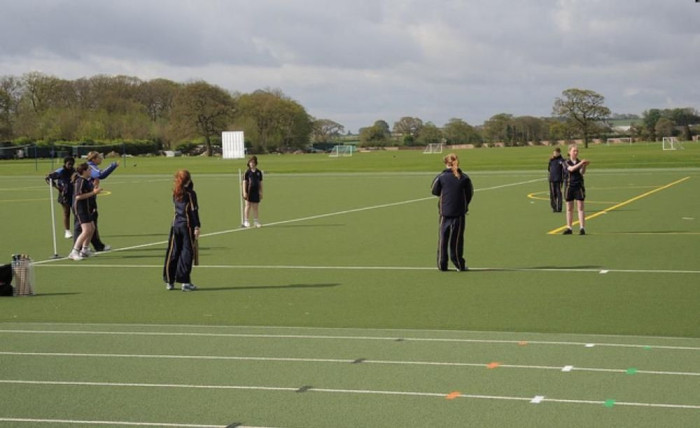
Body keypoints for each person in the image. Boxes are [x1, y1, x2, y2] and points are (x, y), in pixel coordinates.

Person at [431, 153, 474, 271]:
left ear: (446, 163)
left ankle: (442, 265)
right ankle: (459, 264)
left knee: (443, 239)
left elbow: (434, 191)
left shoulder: (441, 177)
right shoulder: (464, 177)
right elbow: (469, 194)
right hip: (459, 214)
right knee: (456, 240)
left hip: (445, 213)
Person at [73, 151, 119, 252]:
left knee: (91, 226)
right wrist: (113, 165)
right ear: (93, 159)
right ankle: (77, 249)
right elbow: (101, 174)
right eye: (99, 157)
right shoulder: (88, 169)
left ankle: (88, 248)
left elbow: (94, 182)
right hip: (83, 203)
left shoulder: (89, 171)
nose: (101, 159)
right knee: (82, 227)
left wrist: (95, 187)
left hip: (88, 201)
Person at [163, 169, 201, 291]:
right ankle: (185, 282)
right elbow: (194, 211)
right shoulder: (190, 194)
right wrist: (197, 226)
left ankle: (170, 281)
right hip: (187, 226)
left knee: (173, 252)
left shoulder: (176, 192)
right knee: (186, 253)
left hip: (175, 225)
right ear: (188, 179)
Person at [69, 163, 102, 260]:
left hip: (87, 208)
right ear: (84, 171)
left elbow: (89, 193)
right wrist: (93, 192)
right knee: (86, 230)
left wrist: (95, 187)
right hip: (80, 208)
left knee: (92, 228)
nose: (90, 171)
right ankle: (74, 251)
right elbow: (78, 196)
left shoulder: (86, 181)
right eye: (89, 170)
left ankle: (85, 250)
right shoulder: (80, 181)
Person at [562, 144, 590, 235]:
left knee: (580, 207)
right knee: (569, 208)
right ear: (569, 152)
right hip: (569, 186)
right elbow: (571, 169)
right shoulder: (566, 162)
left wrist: (585, 166)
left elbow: (582, 173)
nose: (576, 152)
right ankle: (569, 227)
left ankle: (582, 227)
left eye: (577, 151)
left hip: (578, 186)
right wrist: (581, 163)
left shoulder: (579, 161)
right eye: (574, 151)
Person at [46, 156, 76, 238]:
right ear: (65, 163)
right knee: (67, 212)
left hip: (74, 193)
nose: (70, 165)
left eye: (72, 164)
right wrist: (57, 188)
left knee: (76, 212)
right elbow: (48, 178)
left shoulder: (74, 170)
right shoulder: (60, 171)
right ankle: (67, 231)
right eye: (69, 163)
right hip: (64, 195)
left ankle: (78, 230)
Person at [241, 155, 263, 228]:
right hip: (248, 191)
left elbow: (260, 183)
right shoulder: (247, 172)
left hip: (256, 191)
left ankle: (256, 221)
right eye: (250, 162)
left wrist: (261, 191)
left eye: (253, 162)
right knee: (248, 206)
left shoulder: (259, 172)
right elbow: (244, 182)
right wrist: (244, 192)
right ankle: (246, 221)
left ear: (255, 163)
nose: (252, 164)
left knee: (255, 207)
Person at [547, 147, 565, 213]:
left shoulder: (562, 160)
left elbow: (564, 170)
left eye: (556, 152)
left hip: (559, 179)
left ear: (559, 153)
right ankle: (554, 207)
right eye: (554, 152)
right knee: (553, 194)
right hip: (552, 179)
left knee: (559, 193)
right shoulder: (551, 160)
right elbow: (549, 169)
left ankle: (559, 208)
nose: (554, 154)